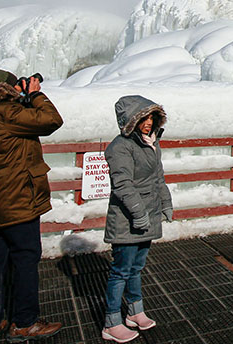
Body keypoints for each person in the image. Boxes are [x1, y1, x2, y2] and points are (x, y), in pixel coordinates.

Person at [0, 69, 64, 344]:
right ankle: (24, 322)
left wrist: (20, 97)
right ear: (1, 89)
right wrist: (35, 94)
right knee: (26, 257)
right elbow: (51, 120)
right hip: (17, 197)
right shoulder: (4, 112)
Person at [101, 95, 173, 343]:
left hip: (148, 215)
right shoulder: (120, 147)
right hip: (127, 218)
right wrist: (139, 213)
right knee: (120, 270)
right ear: (130, 120)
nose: (148, 122)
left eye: (152, 117)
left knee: (136, 267)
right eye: (143, 117)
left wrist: (165, 202)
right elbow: (122, 185)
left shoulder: (152, 142)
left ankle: (135, 312)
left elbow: (157, 177)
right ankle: (111, 322)